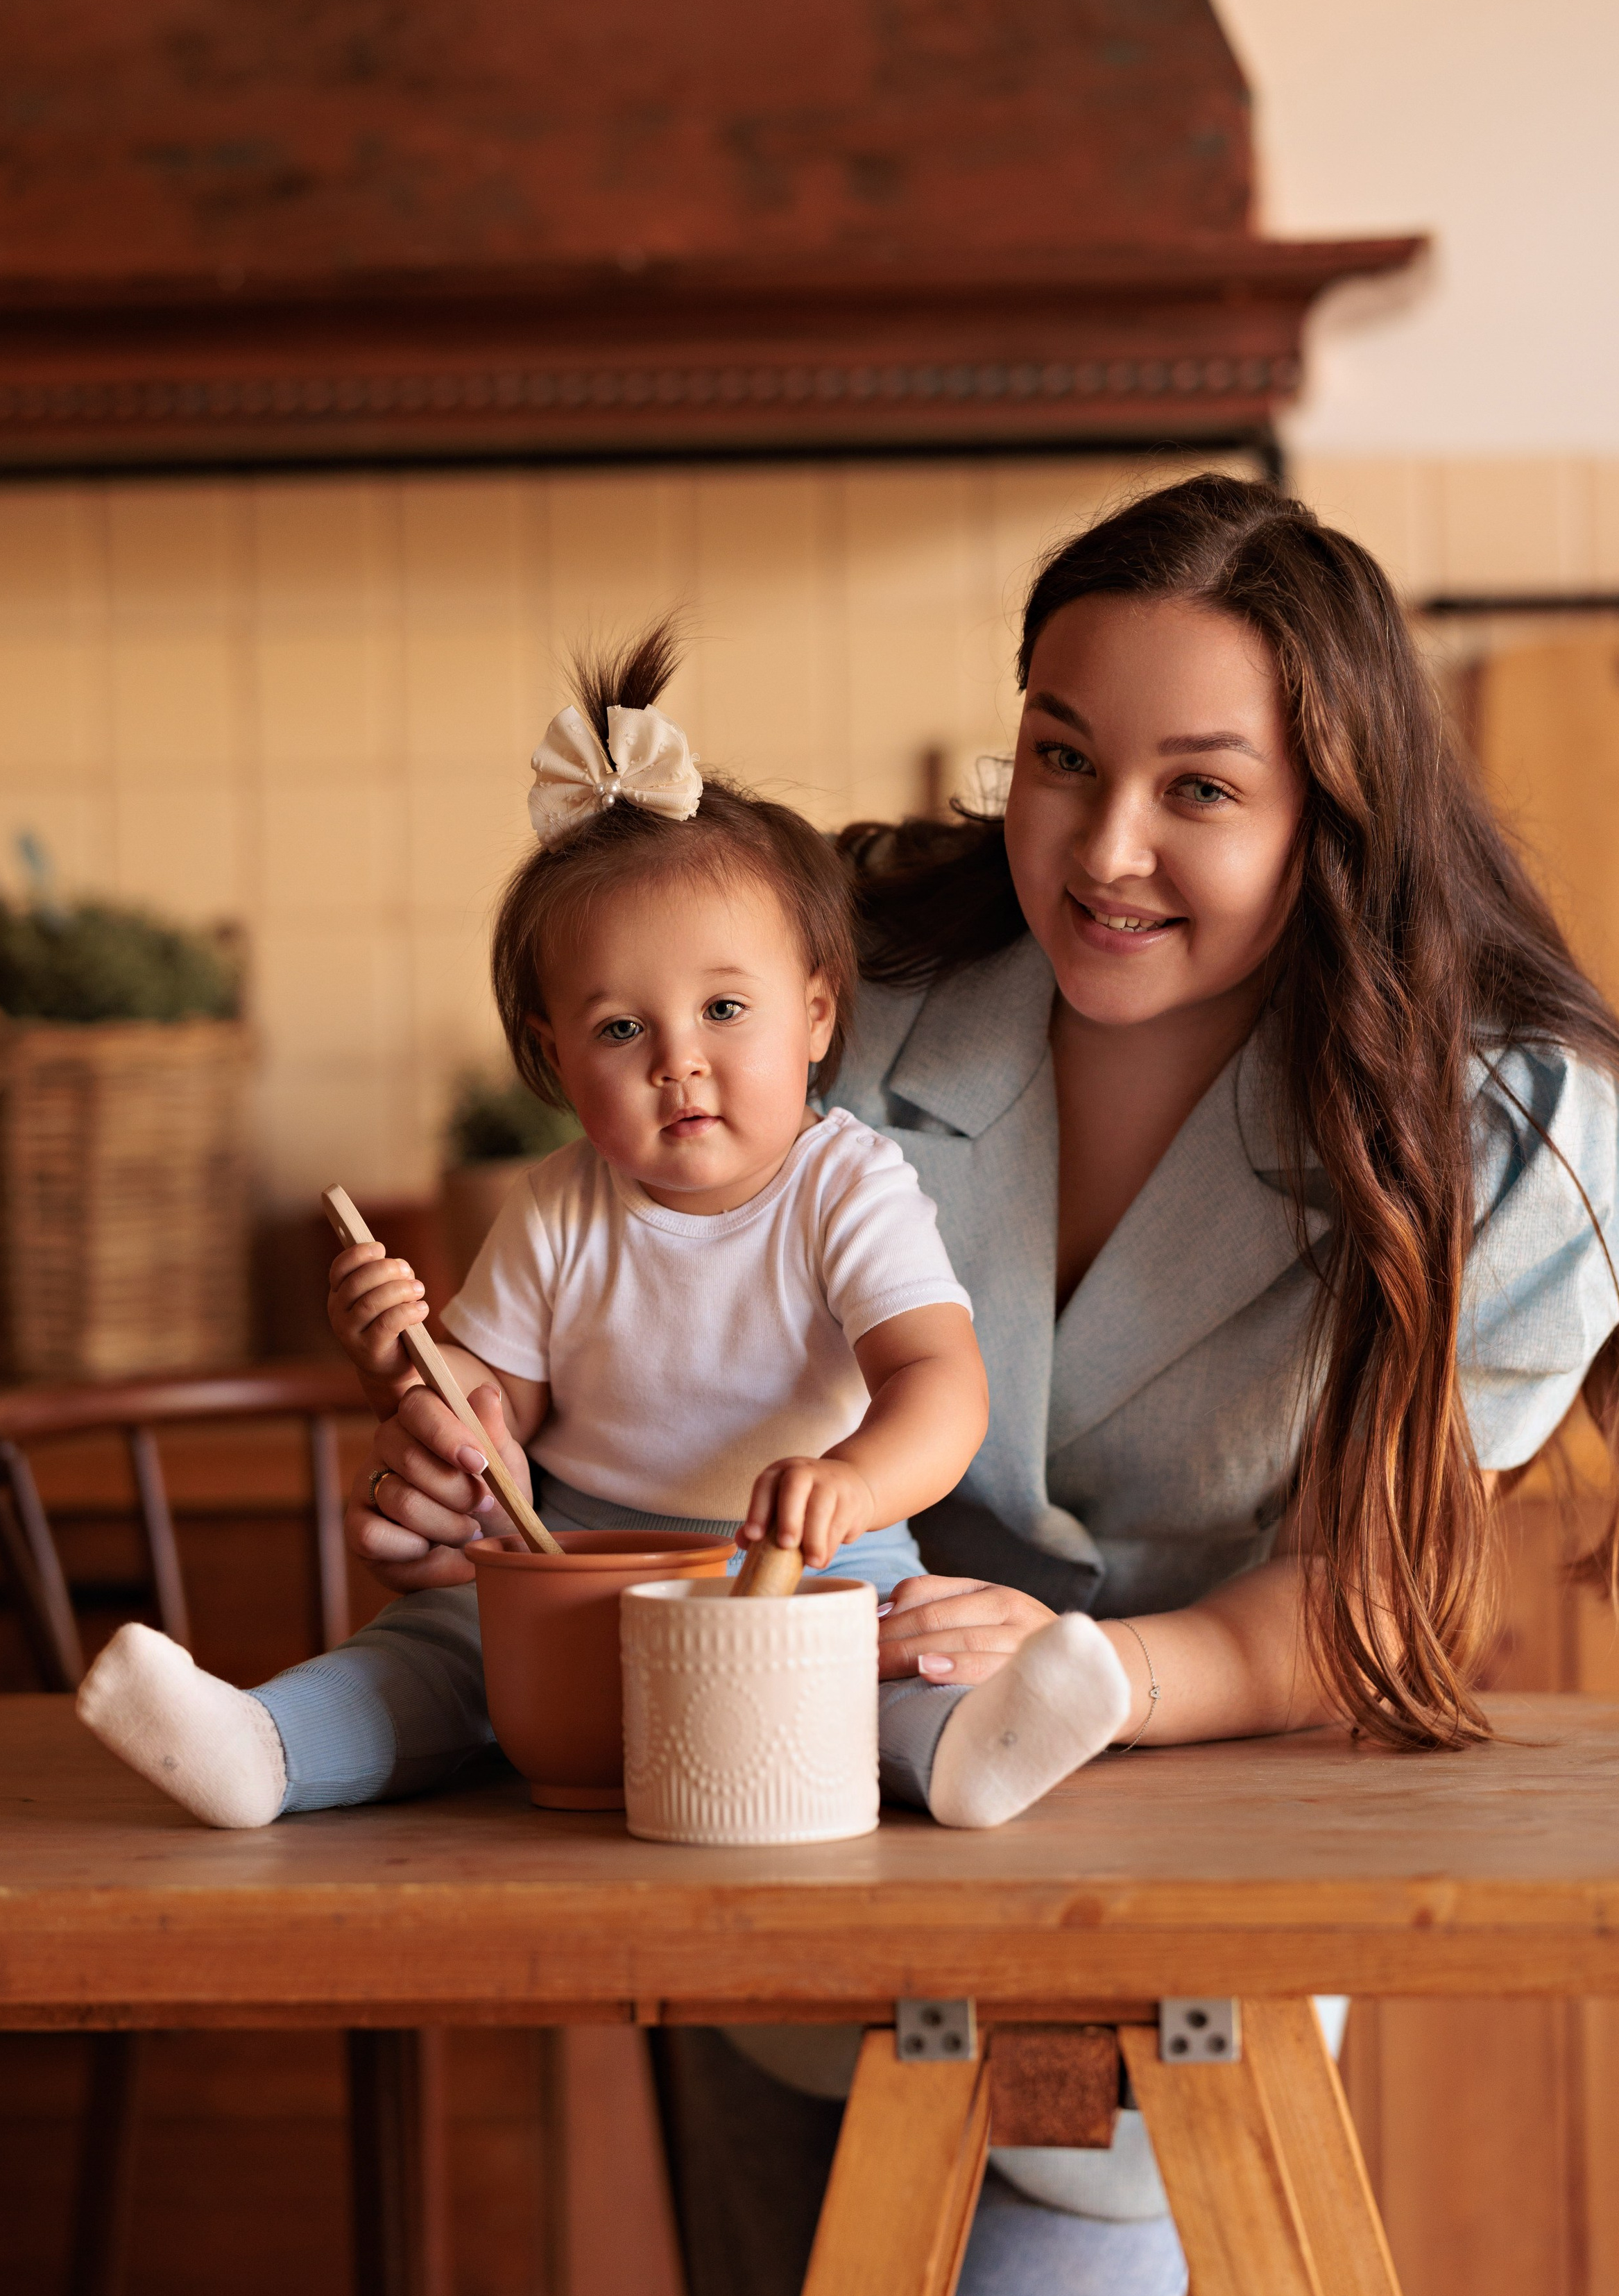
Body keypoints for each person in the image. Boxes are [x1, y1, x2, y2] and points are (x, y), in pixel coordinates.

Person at [203, 474, 1619, 2296]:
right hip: (785, 1838)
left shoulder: (1509, 1128)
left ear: (1340, 803)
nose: (1105, 848)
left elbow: (1379, 1594)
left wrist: (1094, 1677)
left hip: (1173, 1906)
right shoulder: (851, 985)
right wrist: (468, 1448)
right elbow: (615, 1317)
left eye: (1202, 788)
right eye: (1062, 757)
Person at [76, 631, 1139, 1836]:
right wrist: (411, 1373)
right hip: (576, 1571)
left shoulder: (848, 1185)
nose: (679, 1060)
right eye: (620, 1029)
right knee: (426, 1649)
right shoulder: (557, 1208)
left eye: (725, 1009)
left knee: (893, 1665)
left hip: (807, 1567)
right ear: (555, 1055)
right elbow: (494, 1412)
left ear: (816, 1014)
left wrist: (851, 1481)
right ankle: (263, 1746)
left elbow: (941, 1385)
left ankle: (974, 1755)